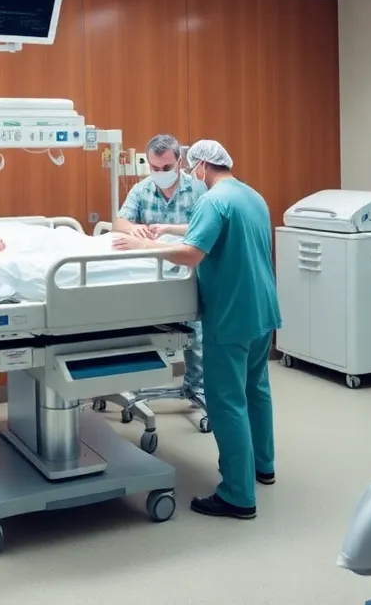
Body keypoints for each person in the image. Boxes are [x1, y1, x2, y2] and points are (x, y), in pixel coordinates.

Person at [113, 139, 278, 520]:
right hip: (263, 309)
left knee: (226, 402)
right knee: (257, 390)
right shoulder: (251, 196)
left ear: (202, 166)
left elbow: (191, 254)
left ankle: (238, 495)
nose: (190, 173)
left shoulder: (210, 199)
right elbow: (213, 229)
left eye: (191, 167)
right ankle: (262, 468)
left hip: (231, 314)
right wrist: (169, 227)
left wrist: (142, 249)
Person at [113, 133, 206, 400]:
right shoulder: (142, 190)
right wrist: (134, 228)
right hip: (152, 278)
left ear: (179, 162)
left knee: (196, 333)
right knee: (134, 328)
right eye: (154, 168)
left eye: (166, 168)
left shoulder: (197, 189)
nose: (160, 173)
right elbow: (119, 223)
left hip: (190, 273)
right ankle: (134, 386)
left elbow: (208, 229)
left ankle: (196, 388)